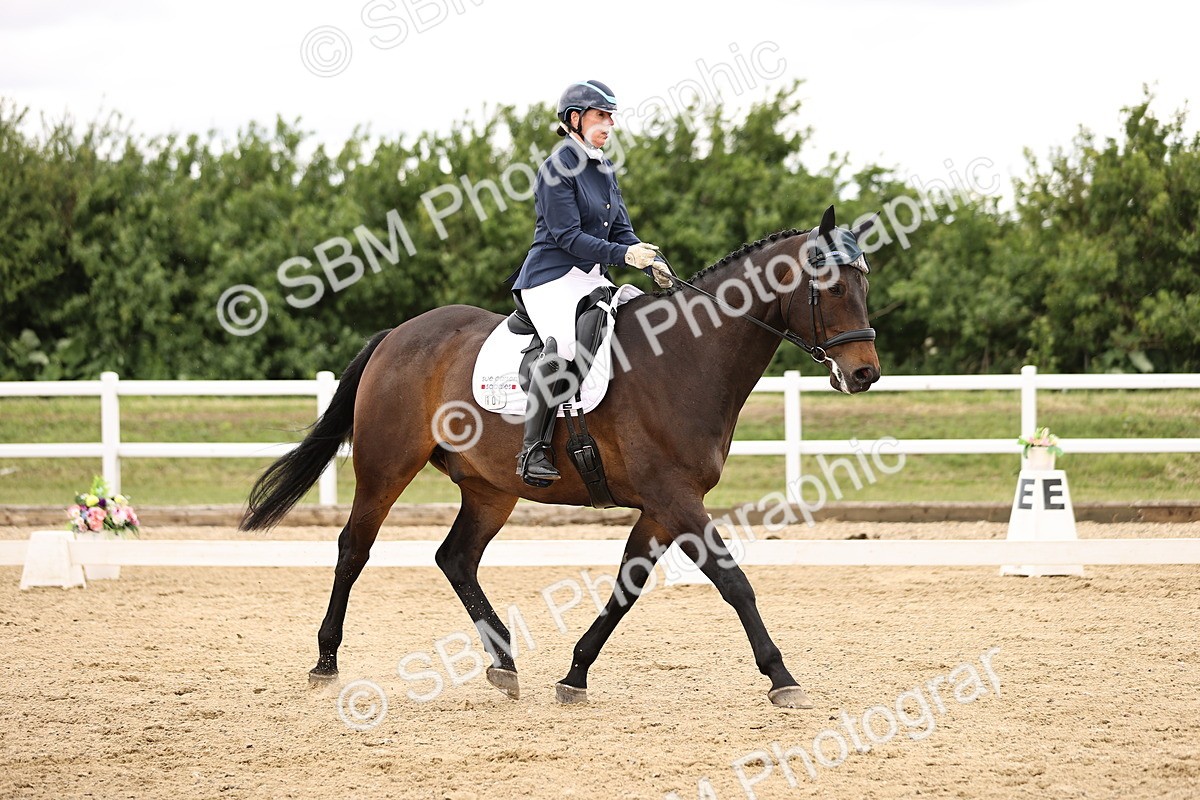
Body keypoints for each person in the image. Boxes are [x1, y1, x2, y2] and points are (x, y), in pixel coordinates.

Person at [511, 79, 673, 487]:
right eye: (602, 116)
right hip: (551, 277)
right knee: (565, 348)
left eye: (611, 117)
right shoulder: (557, 168)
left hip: (591, 278)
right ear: (575, 119)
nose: (610, 124)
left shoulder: (604, 168)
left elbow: (621, 231)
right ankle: (533, 450)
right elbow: (567, 237)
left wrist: (650, 260)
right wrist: (624, 256)